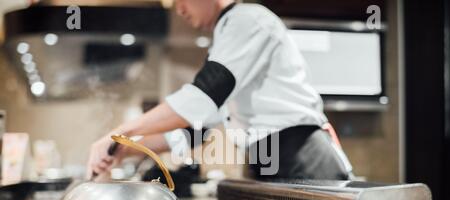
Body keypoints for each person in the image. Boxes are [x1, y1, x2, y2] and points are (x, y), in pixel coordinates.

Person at [87, 0, 353, 181]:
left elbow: (202, 98)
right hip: (267, 160)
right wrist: (127, 149)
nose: (178, 9)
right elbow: (195, 130)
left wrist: (121, 132)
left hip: (305, 160)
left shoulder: (248, 20)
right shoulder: (227, 38)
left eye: (180, 0)